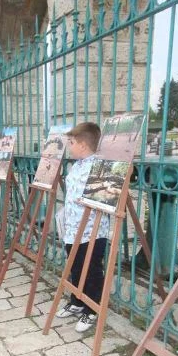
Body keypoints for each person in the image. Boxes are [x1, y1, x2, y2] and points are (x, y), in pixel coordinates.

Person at [54, 122, 110, 333]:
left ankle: (92, 308)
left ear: (83, 145)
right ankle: (77, 300)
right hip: (73, 229)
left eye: (71, 142)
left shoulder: (99, 167)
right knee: (76, 265)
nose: (69, 146)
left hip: (92, 232)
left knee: (92, 269)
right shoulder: (77, 165)